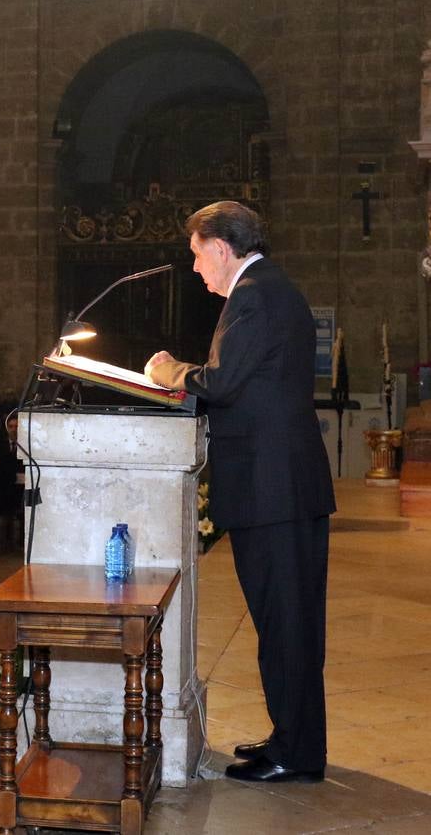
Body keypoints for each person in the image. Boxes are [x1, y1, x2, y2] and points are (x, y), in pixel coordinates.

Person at [145, 200, 334, 784]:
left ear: (222, 248)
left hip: (274, 490)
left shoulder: (255, 294)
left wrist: (167, 370)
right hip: (279, 489)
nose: (197, 269)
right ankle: (290, 738)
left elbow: (221, 383)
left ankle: (296, 754)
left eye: (199, 255)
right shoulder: (267, 290)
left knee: (287, 623)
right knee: (284, 621)